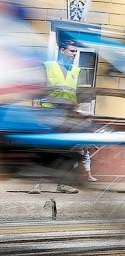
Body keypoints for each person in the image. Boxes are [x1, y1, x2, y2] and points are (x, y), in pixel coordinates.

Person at [29, 39, 83, 194]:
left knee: (66, 152)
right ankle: (37, 184)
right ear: (62, 50)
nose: (75, 54)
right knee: (44, 149)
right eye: (72, 51)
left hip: (67, 117)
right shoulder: (48, 66)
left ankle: (63, 184)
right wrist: (36, 113)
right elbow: (38, 90)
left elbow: (76, 94)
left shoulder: (76, 70)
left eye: (76, 51)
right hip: (49, 114)